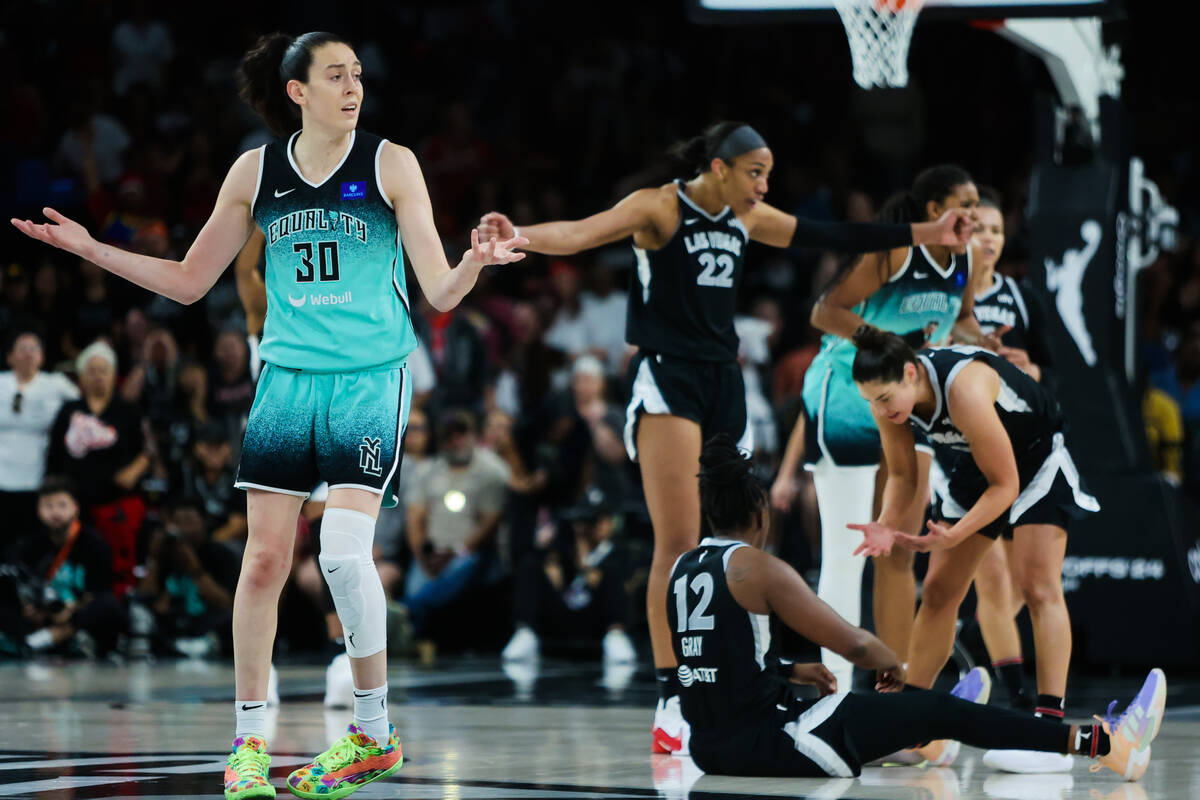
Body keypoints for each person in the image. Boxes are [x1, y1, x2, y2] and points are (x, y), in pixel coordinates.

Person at [12, 30, 525, 800]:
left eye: (358, 75)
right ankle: (251, 740)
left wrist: (475, 263)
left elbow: (440, 292)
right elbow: (189, 280)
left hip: (367, 380)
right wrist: (94, 251)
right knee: (261, 564)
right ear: (297, 92)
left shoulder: (391, 163)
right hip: (285, 382)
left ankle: (373, 734)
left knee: (345, 556)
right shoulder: (256, 170)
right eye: (336, 76)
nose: (354, 88)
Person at [477, 121, 973, 753]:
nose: (764, 185)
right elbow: (580, 232)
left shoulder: (748, 217)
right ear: (718, 167)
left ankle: (751, 677)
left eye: (768, 173)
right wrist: (517, 238)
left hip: (723, 381)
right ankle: (670, 697)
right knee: (680, 543)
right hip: (668, 377)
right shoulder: (659, 206)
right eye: (755, 172)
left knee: (739, 538)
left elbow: (833, 234)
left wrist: (927, 234)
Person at [670, 433, 1163, 782]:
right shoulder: (755, 567)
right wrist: (890, 660)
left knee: (913, 715)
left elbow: (711, 664)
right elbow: (857, 644)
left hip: (712, 748)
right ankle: (1108, 746)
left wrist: (793, 668)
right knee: (942, 708)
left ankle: (921, 738)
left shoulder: (680, 569)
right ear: (758, 511)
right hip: (780, 742)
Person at [848, 326, 1101, 766]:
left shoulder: (963, 388)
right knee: (941, 593)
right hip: (977, 463)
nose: (879, 409)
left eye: (885, 398)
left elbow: (1007, 486)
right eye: (869, 400)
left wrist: (957, 533)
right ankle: (911, 726)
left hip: (1036, 457)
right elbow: (904, 476)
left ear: (911, 373)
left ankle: (1049, 723)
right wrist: (886, 524)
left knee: (1038, 586)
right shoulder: (888, 403)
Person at [796, 165, 986, 694]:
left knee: (899, 547)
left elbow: (960, 321)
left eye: (977, 205)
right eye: (964, 204)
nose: (974, 214)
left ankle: (895, 689)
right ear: (933, 211)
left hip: (909, 401)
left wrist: (992, 345)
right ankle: (830, 694)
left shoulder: (963, 261)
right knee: (847, 551)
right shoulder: (897, 252)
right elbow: (824, 310)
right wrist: (887, 344)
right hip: (849, 393)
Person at [46, 340, 152, 597]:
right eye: (91, 370)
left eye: (103, 370)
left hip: (114, 502)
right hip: (75, 502)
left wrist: (134, 471)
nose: (97, 376)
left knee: (117, 560)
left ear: (113, 375)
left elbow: (146, 452)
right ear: (81, 377)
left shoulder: (126, 411)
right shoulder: (69, 410)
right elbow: (54, 454)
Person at [18, 476, 126, 657]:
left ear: (75, 508)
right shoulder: (30, 546)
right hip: (44, 613)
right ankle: (33, 640)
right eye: (48, 506)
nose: (55, 512)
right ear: (38, 510)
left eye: (62, 505)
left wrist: (71, 611)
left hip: (78, 613)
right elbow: (22, 583)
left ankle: (55, 637)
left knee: (109, 605)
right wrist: (31, 609)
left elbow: (99, 591)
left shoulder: (95, 544)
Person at [0, 330, 80, 538]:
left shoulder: (56, 384)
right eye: (22, 349)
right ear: (10, 357)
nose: (28, 353)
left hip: (37, 476)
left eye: (34, 348)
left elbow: (84, 408)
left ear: (42, 357)